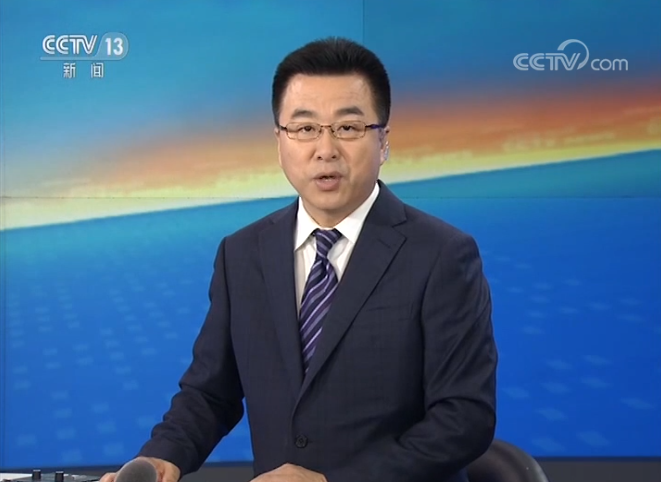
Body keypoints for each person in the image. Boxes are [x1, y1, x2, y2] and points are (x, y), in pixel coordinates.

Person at [101, 37, 497, 482]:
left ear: (383, 141)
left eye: (348, 128)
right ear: (280, 142)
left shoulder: (442, 255)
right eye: (305, 129)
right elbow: (210, 393)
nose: (325, 149)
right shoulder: (241, 254)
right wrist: (162, 457)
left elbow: (464, 418)